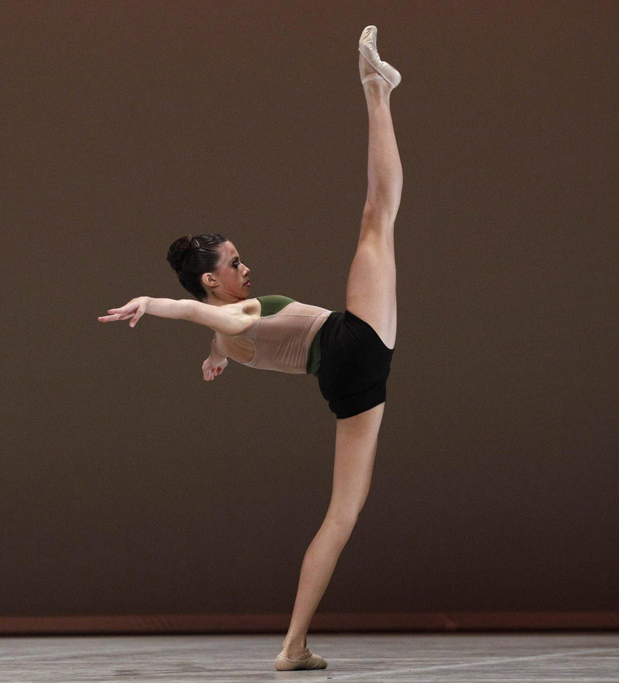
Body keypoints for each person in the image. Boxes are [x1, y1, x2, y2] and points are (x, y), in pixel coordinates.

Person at [98, 26, 402, 672]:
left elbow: (222, 332)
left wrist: (211, 351)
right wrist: (154, 304)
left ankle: (293, 643)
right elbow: (205, 312)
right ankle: (376, 91)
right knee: (376, 217)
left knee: (340, 518)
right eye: (235, 261)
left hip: (346, 382)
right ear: (213, 278)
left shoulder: (230, 334)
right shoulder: (233, 310)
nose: (246, 266)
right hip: (349, 339)